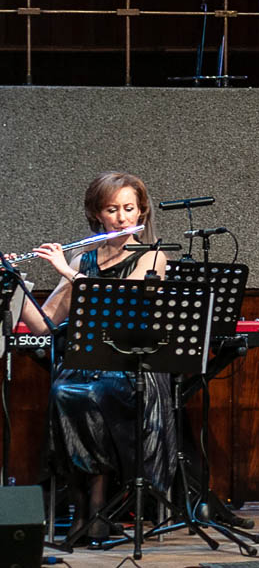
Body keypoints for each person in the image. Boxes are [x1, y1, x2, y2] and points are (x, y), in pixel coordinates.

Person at [11, 171, 172, 545]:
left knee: (91, 395)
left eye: (129, 208)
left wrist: (67, 272)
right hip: (86, 367)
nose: (121, 217)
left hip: (131, 368)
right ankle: (84, 510)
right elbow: (44, 324)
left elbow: (118, 304)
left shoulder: (152, 257)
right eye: (112, 209)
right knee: (66, 392)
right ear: (97, 214)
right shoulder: (84, 259)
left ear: (141, 212)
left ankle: (95, 510)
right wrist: (14, 282)